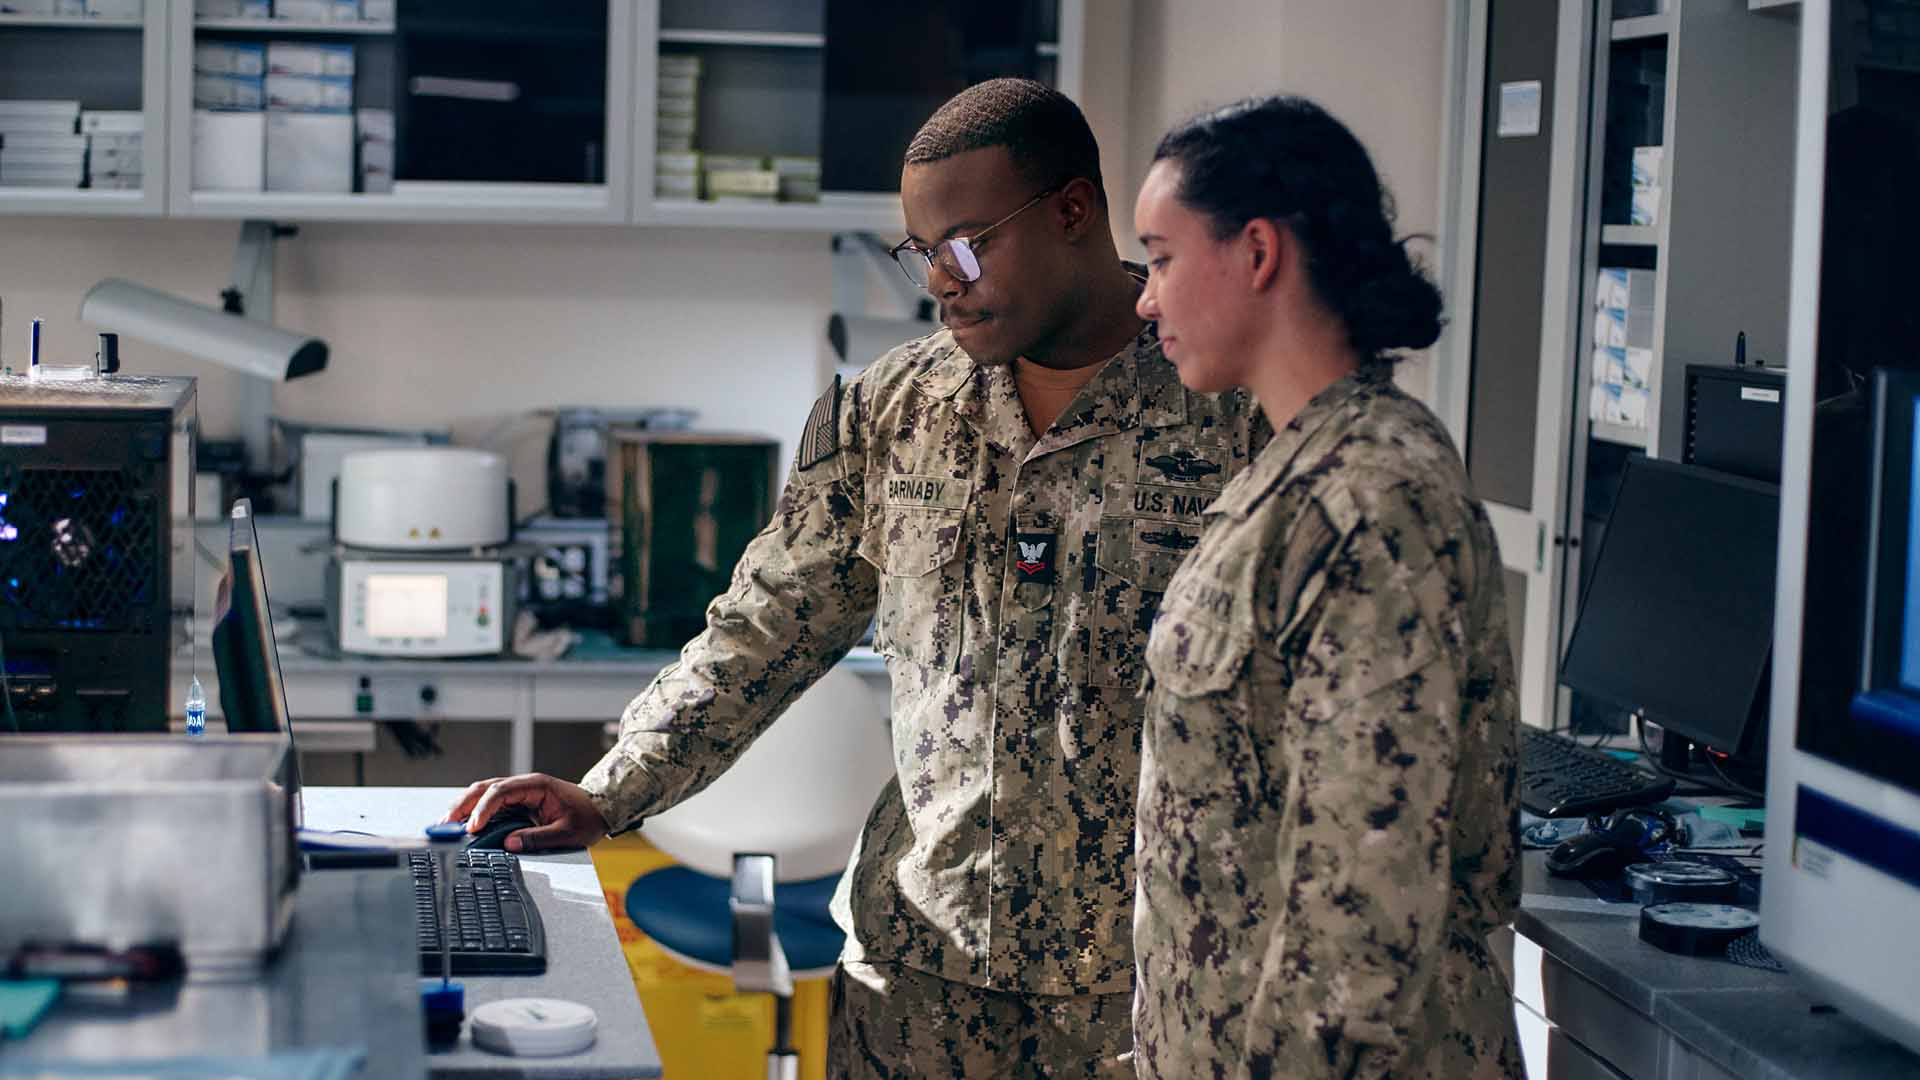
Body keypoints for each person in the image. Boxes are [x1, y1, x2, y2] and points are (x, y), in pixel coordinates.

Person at [446, 78, 1268, 1076]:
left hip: (1152, 992)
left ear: (1073, 210)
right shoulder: (893, 414)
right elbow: (764, 627)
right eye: (923, 253)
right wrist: (611, 789)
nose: (942, 281)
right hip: (919, 981)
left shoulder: (1235, 411)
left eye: (968, 243)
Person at [1128, 95, 1522, 1079]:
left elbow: (1358, 927)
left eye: (1164, 257)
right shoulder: (1288, 475)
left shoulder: (1372, 504)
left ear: (1256, 254)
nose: (1146, 298)